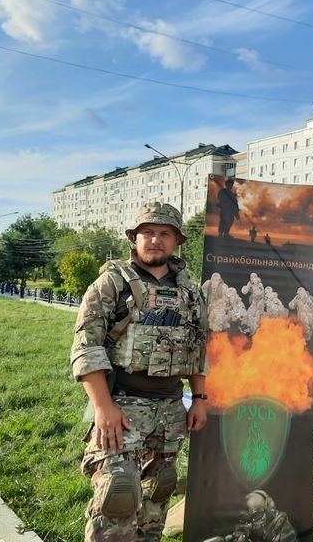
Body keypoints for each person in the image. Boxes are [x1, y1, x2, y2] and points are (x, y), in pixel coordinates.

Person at [70, 201, 208, 541]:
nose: (155, 240)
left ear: (177, 241)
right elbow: (86, 347)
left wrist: (200, 398)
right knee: (118, 496)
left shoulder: (190, 291)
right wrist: (103, 408)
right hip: (121, 407)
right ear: (135, 238)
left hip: (171, 410)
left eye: (164, 233)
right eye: (147, 232)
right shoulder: (112, 283)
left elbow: (201, 348)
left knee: (156, 497)